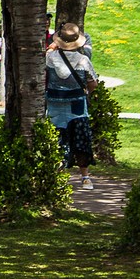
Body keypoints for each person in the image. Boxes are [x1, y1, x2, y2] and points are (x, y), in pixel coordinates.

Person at [46, 20, 97, 190]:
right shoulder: (83, 60)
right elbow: (92, 83)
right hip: (77, 105)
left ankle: (57, 176)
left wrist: (53, 46)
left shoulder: (50, 58)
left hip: (55, 105)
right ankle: (85, 177)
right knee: (80, 140)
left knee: (58, 139)